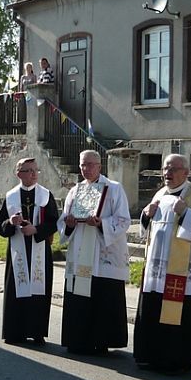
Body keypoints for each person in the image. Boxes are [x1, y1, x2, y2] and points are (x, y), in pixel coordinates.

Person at [134, 153, 191, 374]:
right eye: (165, 169)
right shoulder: (160, 194)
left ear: (186, 172)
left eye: (173, 169)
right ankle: (151, 355)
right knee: (154, 309)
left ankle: (177, 360)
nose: (167, 173)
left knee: (178, 314)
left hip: (180, 271)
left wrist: (185, 213)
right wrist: (146, 215)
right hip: (157, 268)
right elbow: (147, 231)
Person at [58, 150, 130, 354]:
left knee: (103, 296)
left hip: (103, 254)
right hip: (80, 251)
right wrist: (69, 224)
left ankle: (102, 341)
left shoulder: (114, 189)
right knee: (80, 296)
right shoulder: (75, 191)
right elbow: (64, 219)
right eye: (82, 165)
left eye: (90, 164)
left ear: (100, 166)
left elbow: (123, 220)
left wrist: (101, 224)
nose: (86, 169)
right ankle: (78, 339)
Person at [0, 158, 59, 345]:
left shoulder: (46, 196)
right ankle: (15, 332)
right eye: (28, 170)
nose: (33, 173)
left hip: (39, 249)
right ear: (19, 174)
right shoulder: (11, 196)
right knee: (17, 290)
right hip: (17, 253)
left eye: (35, 170)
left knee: (38, 292)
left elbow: (55, 222)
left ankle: (37, 332)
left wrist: (36, 230)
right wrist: (10, 223)